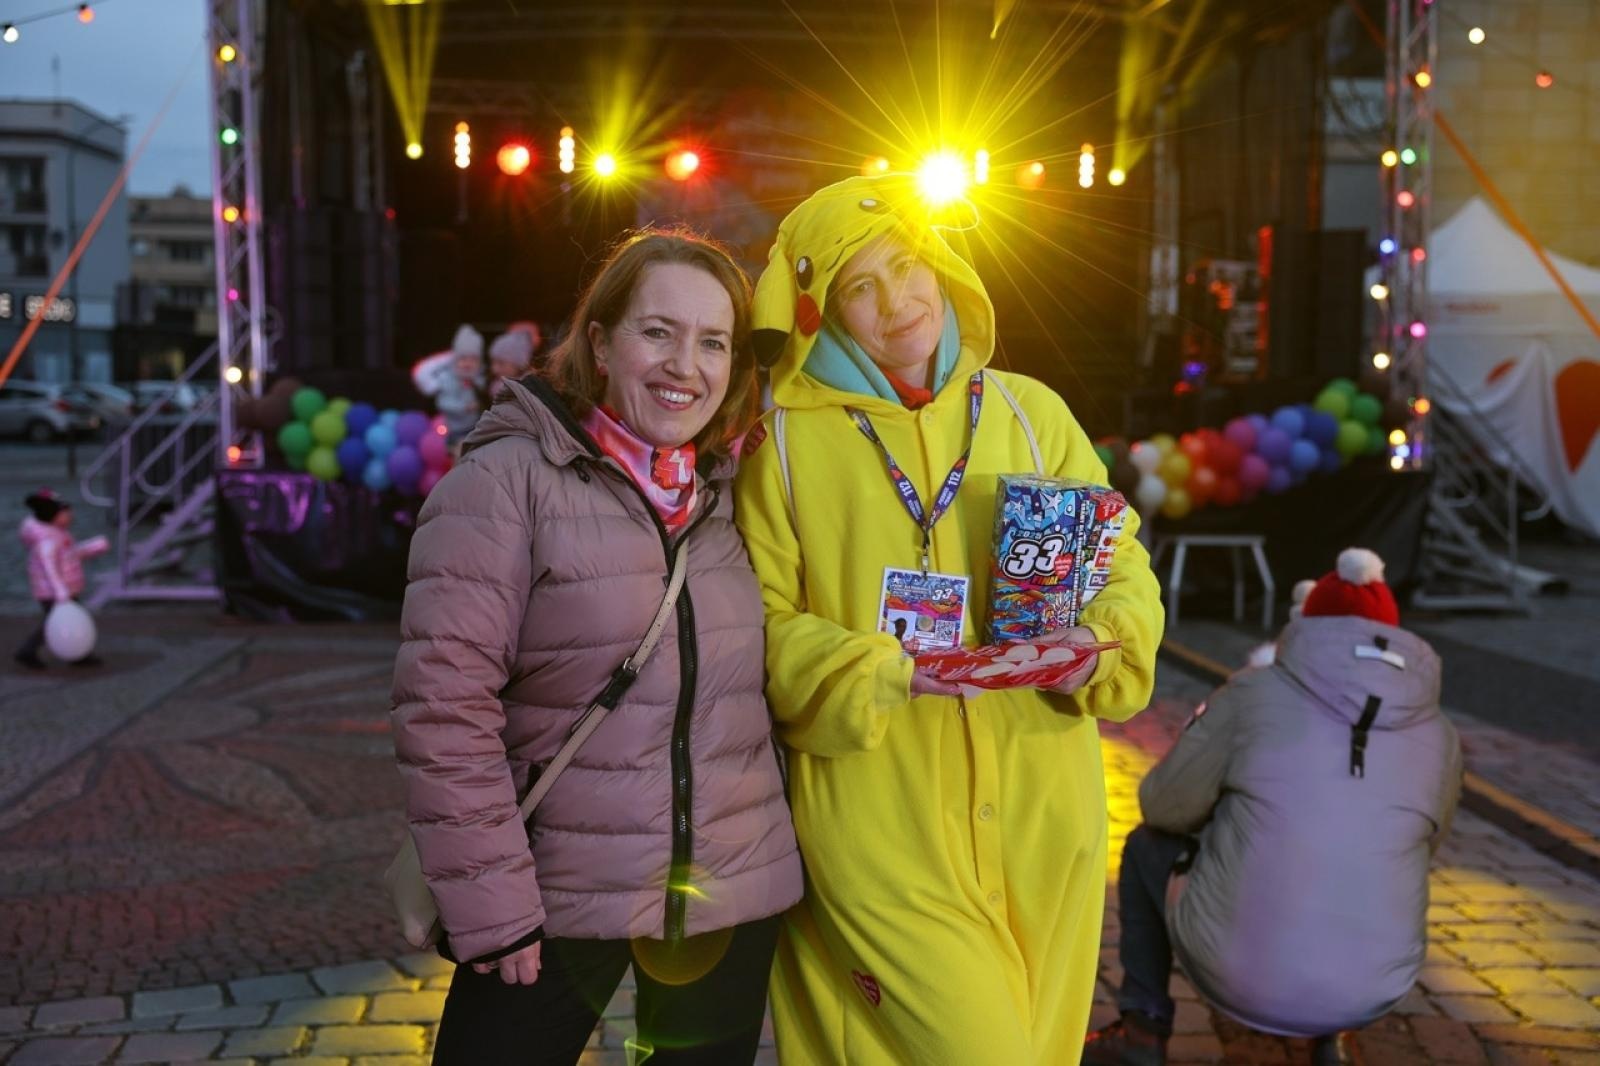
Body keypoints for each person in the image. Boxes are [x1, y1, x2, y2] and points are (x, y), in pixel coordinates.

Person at [734, 173, 1164, 1064]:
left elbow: (1121, 562)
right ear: (821, 311)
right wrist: (879, 669)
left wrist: (1101, 642)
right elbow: (755, 627)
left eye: (907, 264)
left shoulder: (1029, 412)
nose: (898, 301)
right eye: (861, 285)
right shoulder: (778, 443)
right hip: (879, 824)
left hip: (1046, 813)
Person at [391, 229, 802, 1066]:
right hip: (550, 896)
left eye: (712, 341)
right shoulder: (504, 484)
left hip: (722, 897)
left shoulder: (731, 495)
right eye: (659, 331)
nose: (685, 363)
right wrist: (494, 907)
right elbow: (443, 710)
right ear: (603, 342)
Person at [1084, 548, 1462, 1066]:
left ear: (1307, 624)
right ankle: (1335, 1038)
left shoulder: (1255, 693)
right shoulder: (1441, 733)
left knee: (1146, 847)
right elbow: (1427, 845)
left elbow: (1162, 805)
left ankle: (1142, 1028)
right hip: (1377, 984)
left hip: (1238, 970)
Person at [14, 489, 108, 670]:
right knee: (56, 622)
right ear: (52, 516)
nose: (70, 516)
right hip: (54, 592)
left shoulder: (57, 533)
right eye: (65, 513)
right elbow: (50, 568)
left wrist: (93, 547)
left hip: (63, 589)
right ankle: (30, 651)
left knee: (61, 620)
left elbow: (69, 556)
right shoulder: (47, 541)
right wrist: (60, 592)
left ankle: (78, 652)